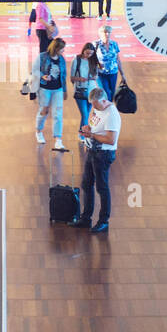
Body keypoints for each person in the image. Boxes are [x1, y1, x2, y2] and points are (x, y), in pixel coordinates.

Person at [69, 86, 121, 234]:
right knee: (86, 184)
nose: (93, 107)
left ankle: (103, 221)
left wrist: (92, 136)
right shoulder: (98, 108)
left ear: (104, 101)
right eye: (92, 104)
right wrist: (88, 128)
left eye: (95, 104)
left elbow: (111, 140)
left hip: (103, 154)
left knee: (102, 188)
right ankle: (86, 218)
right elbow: (94, 124)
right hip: (92, 151)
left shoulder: (112, 114)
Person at [32, 37, 68, 151]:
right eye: (62, 49)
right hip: (44, 88)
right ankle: (38, 131)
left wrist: (64, 90)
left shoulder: (61, 59)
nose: (63, 51)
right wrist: (42, 75)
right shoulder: (42, 57)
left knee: (58, 114)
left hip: (57, 89)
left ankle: (58, 139)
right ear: (56, 48)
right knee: (44, 111)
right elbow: (34, 70)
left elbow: (63, 75)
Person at [71, 42, 100, 128]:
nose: (89, 55)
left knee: (86, 114)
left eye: (91, 53)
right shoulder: (76, 60)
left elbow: (96, 75)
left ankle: (83, 134)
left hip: (92, 90)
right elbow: (72, 78)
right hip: (80, 90)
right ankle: (83, 135)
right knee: (84, 114)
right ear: (83, 51)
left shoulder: (93, 61)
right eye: (87, 53)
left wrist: (94, 77)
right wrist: (79, 79)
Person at [95, 25, 121, 102]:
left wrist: (122, 74)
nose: (107, 34)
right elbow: (92, 59)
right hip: (101, 73)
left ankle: (108, 110)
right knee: (106, 94)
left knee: (112, 94)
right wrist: (97, 65)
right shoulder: (96, 44)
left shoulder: (114, 44)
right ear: (100, 34)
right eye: (105, 32)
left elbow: (118, 59)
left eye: (109, 32)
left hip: (113, 73)